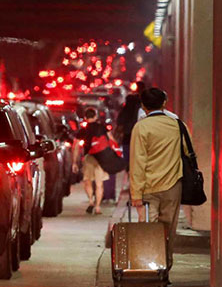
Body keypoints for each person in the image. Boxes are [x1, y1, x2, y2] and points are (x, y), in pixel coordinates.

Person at [129, 87, 190, 272]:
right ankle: (165, 267)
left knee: (148, 229)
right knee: (169, 230)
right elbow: (188, 150)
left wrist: (136, 193)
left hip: (148, 187)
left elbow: (138, 162)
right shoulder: (177, 125)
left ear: (143, 106)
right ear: (164, 103)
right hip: (173, 185)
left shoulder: (141, 127)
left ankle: (148, 268)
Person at [72, 107, 116, 215]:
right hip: (101, 158)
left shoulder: (83, 130)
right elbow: (112, 140)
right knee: (99, 183)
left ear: (85, 117)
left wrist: (74, 162)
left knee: (87, 181)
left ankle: (91, 201)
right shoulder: (102, 128)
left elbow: (76, 146)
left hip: (89, 158)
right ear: (96, 116)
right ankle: (97, 207)